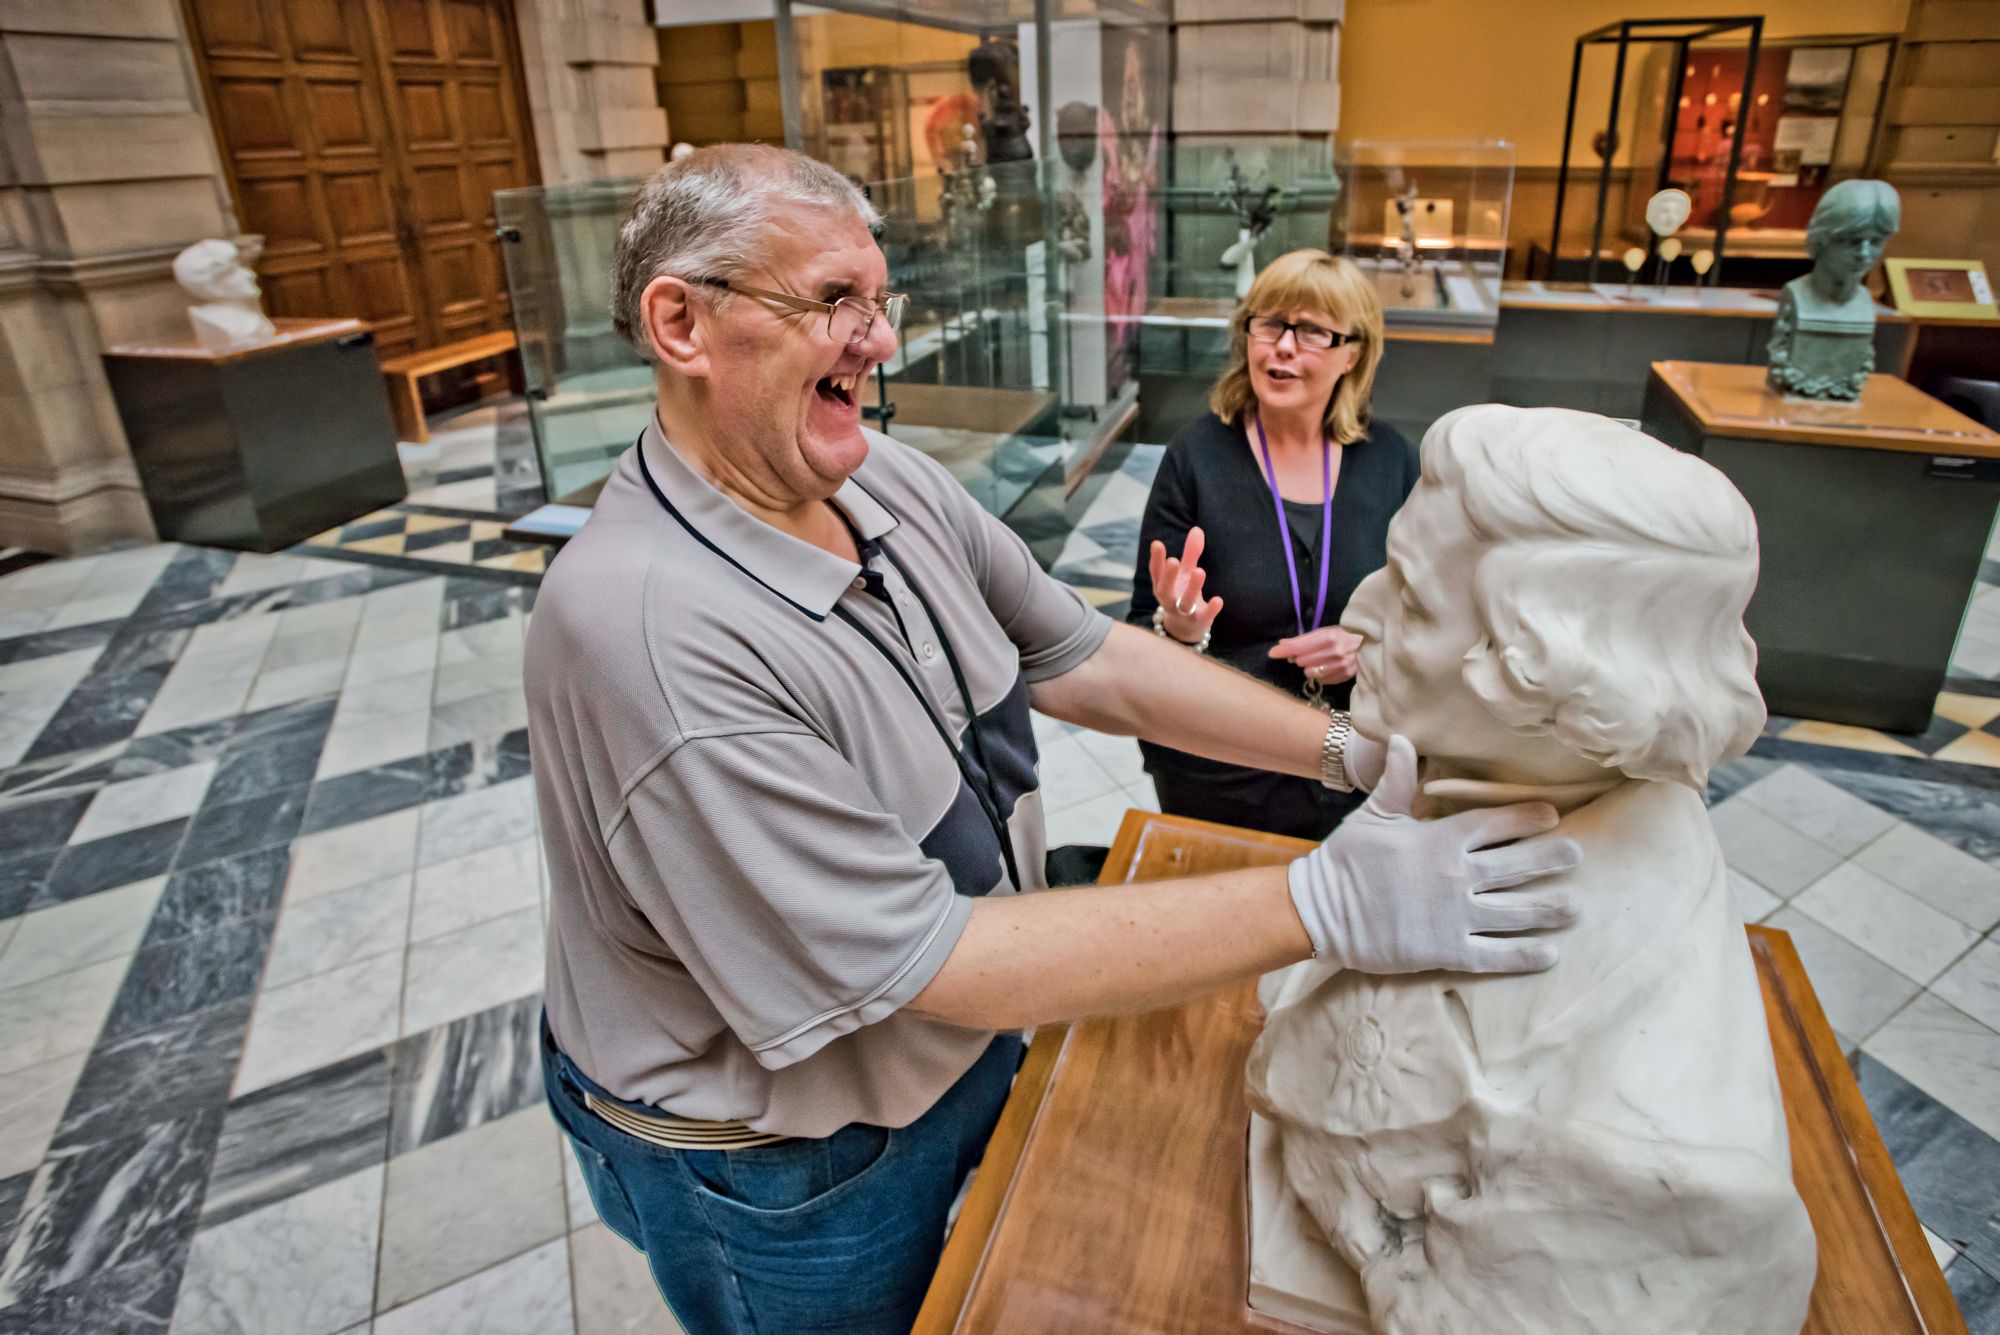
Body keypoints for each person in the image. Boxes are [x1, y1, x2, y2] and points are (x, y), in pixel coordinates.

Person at [525, 144, 1581, 1335]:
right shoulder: (649, 635)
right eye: (831, 301)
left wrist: (1350, 754)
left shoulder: (887, 486)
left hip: (953, 1045)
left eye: (879, 300)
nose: (877, 341)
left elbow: (1083, 655)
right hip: (785, 1158)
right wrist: (1329, 902)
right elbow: (926, 963)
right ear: (680, 322)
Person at [1128, 249, 1416, 839]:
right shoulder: (1197, 456)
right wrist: (1180, 630)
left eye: (1312, 331)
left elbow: (1434, 613)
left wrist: (1370, 645)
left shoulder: (1392, 461)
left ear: (1352, 354)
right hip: (1220, 765)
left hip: (1353, 764)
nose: (1283, 346)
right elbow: (1139, 630)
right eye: (1270, 324)